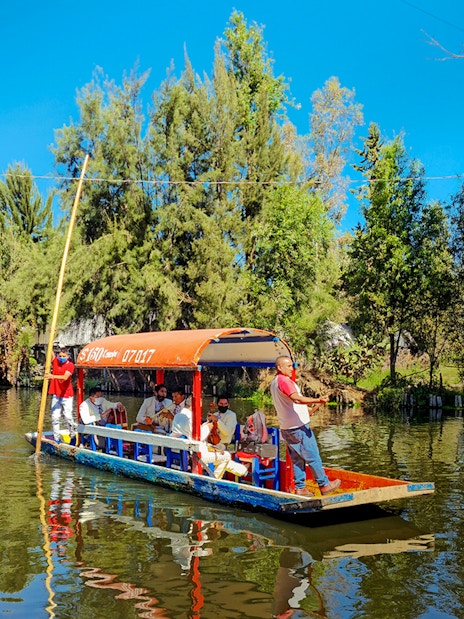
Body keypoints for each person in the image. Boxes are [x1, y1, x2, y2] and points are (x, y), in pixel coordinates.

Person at [270, 356, 341, 497]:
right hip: (297, 427)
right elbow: (296, 398)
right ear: (280, 367)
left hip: (287, 427)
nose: (292, 368)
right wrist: (317, 399)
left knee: (298, 458)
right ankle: (324, 484)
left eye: (292, 366)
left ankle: (300, 487)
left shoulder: (275, 383)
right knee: (312, 455)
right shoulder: (284, 381)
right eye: (289, 366)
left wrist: (314, 407)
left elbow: (293, 405)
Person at [170, 403, 248, 480]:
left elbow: (226, 432)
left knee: (223, 457)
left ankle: (242, 470)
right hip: (197, 453)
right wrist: (207, 427)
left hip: (225, 444)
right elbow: (198, 437)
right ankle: (215, 480)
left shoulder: (178, 416)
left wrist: (211, 424)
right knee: (226, 456)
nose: (201, 406)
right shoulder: (191, 418)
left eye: (225, 404)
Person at [45, 346, 76, 444]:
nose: (61, 357)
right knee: (55, 417)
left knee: (68, 416)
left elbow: (65, 377)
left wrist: (52, 376)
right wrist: (50, 345)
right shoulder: (55, 362)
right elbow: (51, 353)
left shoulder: (70, 365)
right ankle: (56, 438)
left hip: (67, 395)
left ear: (67, 357)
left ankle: (72, 435)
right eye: (60, 356)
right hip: (57, 394)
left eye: (64, 356)